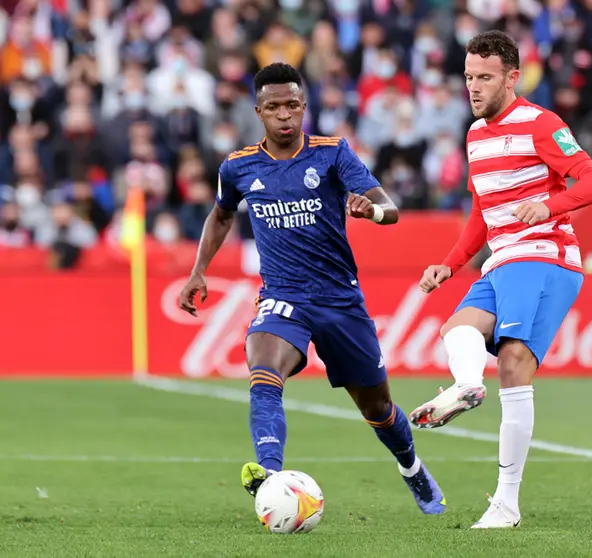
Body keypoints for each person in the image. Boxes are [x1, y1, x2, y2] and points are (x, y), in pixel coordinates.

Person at [178, 63, 445, 517]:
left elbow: (390, 207)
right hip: (283, 296)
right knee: (262, 371)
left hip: (339, 300)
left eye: (293, 106)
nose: (285, 115)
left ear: (304, 107)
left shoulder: (333, 153)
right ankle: (269, 476)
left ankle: (411, 465)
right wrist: (198, 269)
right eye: (274, 108)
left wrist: (371, 212)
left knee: (378, 408)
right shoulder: (239, 166)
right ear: (258, 112)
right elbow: (222, 215)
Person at [409, 31, 592, 528]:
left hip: (544, 255)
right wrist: (450, 264)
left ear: (512, 78)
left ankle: (504, 503)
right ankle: (466, 387)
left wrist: (549, 204)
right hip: (501, 258)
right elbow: (483, 210)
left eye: (484, 78)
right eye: (468, 77)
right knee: (457, 330)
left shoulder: (542, 124)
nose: (473, 87)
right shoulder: (476, 135)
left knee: (513, 364)